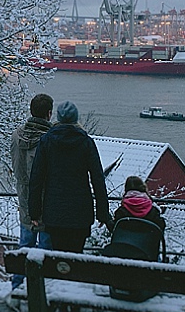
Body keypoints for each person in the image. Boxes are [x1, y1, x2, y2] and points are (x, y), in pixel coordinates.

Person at [28, 100, 113, 253]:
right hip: (80, 212)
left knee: (58, 255)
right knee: (76, 256)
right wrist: (103, 213)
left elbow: (36, 179)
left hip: (54, 211)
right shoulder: (86, 142)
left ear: (58, 118)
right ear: (76, 119)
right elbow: (98, 179)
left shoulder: (46, 141)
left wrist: (34, 212)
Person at [9, 93, 53, 291]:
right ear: (49, 113)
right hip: (45, 201)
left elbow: (15, 165)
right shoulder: (49, 138)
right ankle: (40, 288)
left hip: (24, 198)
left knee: (24, 245)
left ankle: (17, 285)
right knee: (46, 248)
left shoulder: (17, 135)